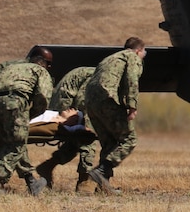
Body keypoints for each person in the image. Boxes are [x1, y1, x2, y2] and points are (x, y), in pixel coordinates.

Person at [0, 46, 54, 196]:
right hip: (14, 103)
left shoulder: (10, 68)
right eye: (49, 63)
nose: (49, 67)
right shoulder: (40, 71)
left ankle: (31, 182)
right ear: (42, 63)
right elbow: (43, 97)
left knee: (14, 143)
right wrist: (31, 114)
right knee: (16, 144)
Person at [85, 37, 146, 194]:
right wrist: (132, 106)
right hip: (107, 99)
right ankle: (101, 170)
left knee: (109, 142)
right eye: (144, 51)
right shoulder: (132, 57)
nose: (144, 54)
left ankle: (103, 187)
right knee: (129, 140)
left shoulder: (111, 58)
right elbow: (131, 79)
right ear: (139, 50)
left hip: (91, 101)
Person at [35, 65, 96, 191]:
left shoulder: (104, 76)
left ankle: (48, 166)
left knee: (76, 140)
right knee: (87, 134)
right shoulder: (97, 78)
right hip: (65, 103)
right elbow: (83, 101)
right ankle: (84, 179)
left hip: (68, 101)